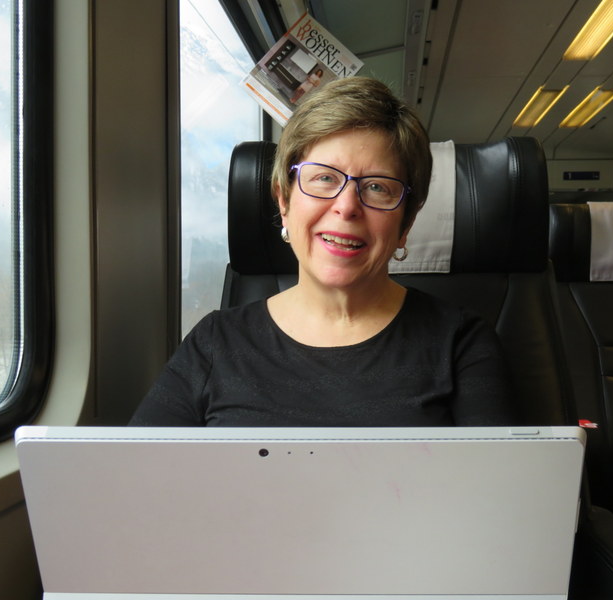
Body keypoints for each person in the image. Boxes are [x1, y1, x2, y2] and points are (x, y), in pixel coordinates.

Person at [129, 76, 515, 427]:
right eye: (324, 178)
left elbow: (494, 481)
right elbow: (136, 474)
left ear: (406, 223)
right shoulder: (214, 342)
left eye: (377, 187)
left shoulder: (462, 343)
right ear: (284, 201)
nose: (346, 207)